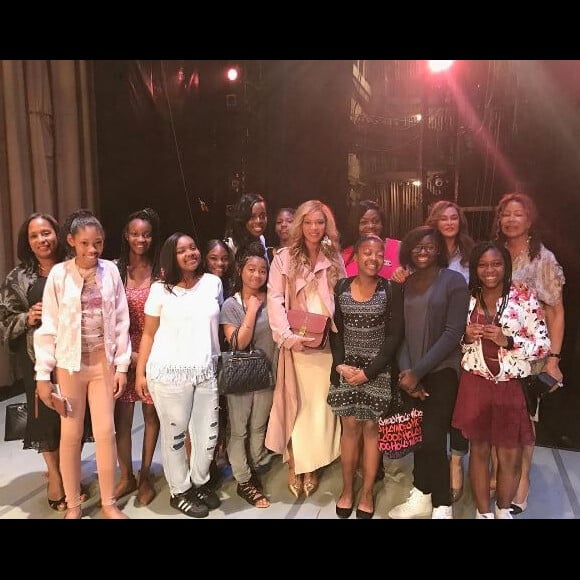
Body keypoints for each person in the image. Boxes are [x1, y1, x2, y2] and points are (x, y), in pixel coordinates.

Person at [34, 210, 131, 519]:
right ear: (72, 241)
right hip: (69, 366)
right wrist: (42, 375)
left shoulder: (111, 272)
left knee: (105, 432)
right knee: (70, 434)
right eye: (85, 243)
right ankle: (74, 505)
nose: (92, 250)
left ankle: (107, 502)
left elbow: (121, 321)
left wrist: (123, 367)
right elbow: (48, 325)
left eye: (98, 243)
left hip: (103, 364)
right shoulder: (59, 276)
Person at [452, 241, 551, 518]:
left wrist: (507, 339)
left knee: (509, 455)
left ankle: (502, 510)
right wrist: (466, 336)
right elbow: (454, 340)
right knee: (479, 452)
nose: (489, 270)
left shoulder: (523, 296)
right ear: (475, 268)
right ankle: (483, 513)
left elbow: (542, 345)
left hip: (509, 387)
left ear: (506, 265)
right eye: (482, 265)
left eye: (496, 263)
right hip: (476, 384)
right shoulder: (467, 298)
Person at [0, 213, 84, 512]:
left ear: (57, 235)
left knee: (71, 417)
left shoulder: (73, 268)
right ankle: (57, 477)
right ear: (28, 242)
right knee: (44, 417)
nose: (42, 240)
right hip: (37, 359)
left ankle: (70, 471)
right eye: (34, 236)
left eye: (46, 233)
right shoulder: (17, 278)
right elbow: (4, 323)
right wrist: (27, 317)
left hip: (74, 357)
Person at [135, 232, 223, 518]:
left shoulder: (212, 283)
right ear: (171, 257)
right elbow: (148, 334)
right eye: (182, 250)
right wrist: (140, 373)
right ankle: (179, 491)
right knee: (174, 436)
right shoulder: (160, 289)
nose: (190, 254)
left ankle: (199, 483)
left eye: (193, 248)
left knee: (207, 436)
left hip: (205, 371)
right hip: (169, 373)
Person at [393, 200, 475, 502]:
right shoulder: (405, 284)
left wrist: (418, 372)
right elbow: (399, 333)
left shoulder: (453, 280)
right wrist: (406, 374)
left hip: (441, 371)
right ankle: (420, 493)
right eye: (417, 247)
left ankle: (441, 503)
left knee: (433, 437)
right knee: (418, 438)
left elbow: (453, 333)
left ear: (439, 249)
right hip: (410, 372)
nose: (423, 251)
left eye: (429, 246)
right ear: (408, 251)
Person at [493, 191, 565, 513]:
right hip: (495, 353)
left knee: (524, 421)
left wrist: (553, 359)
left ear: (529, 220)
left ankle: (522, 479)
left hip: (530, 356)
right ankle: (500, 473)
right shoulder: (494, 254)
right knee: (497, 417)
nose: (510, 219)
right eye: (505, 214)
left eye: (517, 214)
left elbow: (556, 312)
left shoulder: (542, 259)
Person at [266, 199, 344, 498]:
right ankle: (296, 463)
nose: (314, 228)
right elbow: (274, 299)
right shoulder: (283, 258)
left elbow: (343, 296)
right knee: (295, 406)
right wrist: (286, 336)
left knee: (318, 407)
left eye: (320, 222)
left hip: (325, 344)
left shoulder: (332, 257)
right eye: (309, 222)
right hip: (296, 343)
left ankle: (312, 464)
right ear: (300, 224)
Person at [329, 234, 404, 519]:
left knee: (372, 431)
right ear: (356, 257)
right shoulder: (341, 286)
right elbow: (336, 332)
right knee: (349, 431)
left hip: (377, 371)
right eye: (366, 252)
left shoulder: (391, 290)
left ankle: (367, 492)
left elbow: (395, 336)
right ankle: (347, 490)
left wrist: (369, 372)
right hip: (347, 371)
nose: (373, 258)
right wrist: (339, 366)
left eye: (378, 253)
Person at [219, 241, 277, 508]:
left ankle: (251, 469)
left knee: (258, 429)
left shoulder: (275, 300)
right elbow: (238, 343)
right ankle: (244, 481)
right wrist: (252, 310)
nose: (256, 275)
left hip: (267, 377)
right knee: (239, 431)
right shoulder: (231, 305)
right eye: (251, 269)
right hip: (240, 379)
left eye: (262, 270)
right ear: (240, 270)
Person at [113, 208, 161, 506]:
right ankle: (126, 475)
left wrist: (144, 355)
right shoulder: (114, 269)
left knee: (150, 414)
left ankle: (145, 476)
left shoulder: (161, 269)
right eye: (134, 233)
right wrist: (124, 355)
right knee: (123, 418)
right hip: (121, 353)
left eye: (145, 234)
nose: (140, 239)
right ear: (125, 235)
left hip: (153, 350)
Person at [342, 199, 401, 279]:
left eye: (375, 221)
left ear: (382, 224)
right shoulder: (345, 254)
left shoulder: (398, 248)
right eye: (364, 222)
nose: (371, 226)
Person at [224, 192, 269, 260]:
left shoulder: (261, 239)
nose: (258, 221)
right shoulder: (230, 245)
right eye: (252, 217)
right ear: (243, 219)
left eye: (262, 216)